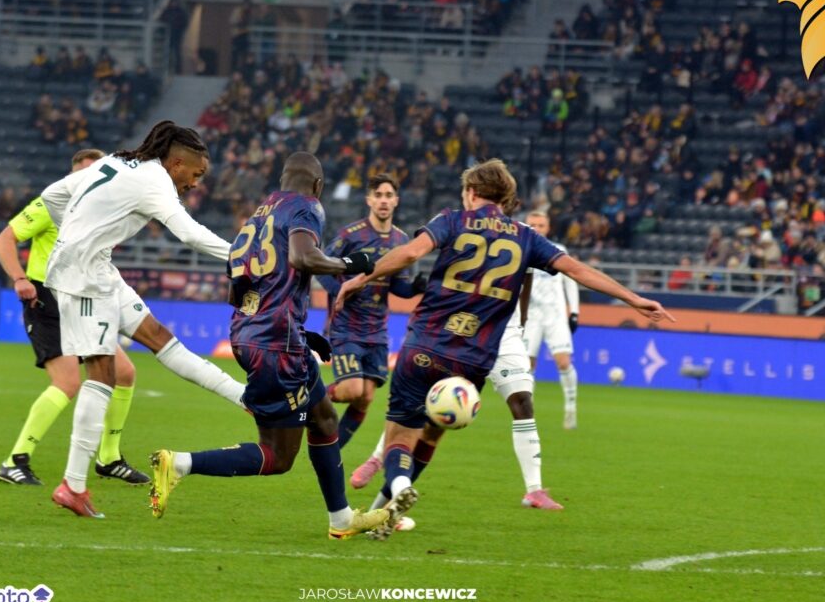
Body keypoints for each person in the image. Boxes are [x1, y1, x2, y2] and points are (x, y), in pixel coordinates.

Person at [335, 159, 674, 539]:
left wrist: (361, 278)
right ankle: (382, 516)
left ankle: (397, 488)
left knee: (400, 435)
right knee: (431, 433)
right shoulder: (526, 236)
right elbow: (577, 270)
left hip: (427, 344)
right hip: (473, 359)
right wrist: (633, 298)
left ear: (471, 192)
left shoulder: (451, 220)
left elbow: (412, 253)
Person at [148, 152, 395, 540]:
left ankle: (341, 518)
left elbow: (237, 287)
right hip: (275, 345)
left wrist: (296, 331)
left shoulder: (258, 216)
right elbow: (303, 256)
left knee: (325, 419)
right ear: (317, 185)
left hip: (259, 335)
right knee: (277, 456)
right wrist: (350, 264)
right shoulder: (306, 207)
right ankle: (178, 464)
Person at [40, 121, 246, 518]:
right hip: (82, 276)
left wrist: (79, 234)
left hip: (95, 266)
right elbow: (190, 234)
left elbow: (53, 195)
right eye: (196, 174)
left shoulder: (115, 162)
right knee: (102, 374)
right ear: (177, 162)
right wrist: (247, 257)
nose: (195, 183)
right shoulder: (155, 180)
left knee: (160, 338)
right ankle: (72, 485)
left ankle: (244, 398)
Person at [351, 207, 567, 515]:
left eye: (541, 223)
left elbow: (526, 286)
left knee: (522, 401)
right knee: (420, 408)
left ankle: (534, 489)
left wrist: (520, 324)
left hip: (504, 333)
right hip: (466, 333)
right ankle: (378, 460)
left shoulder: (523, 237)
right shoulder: (468, 226)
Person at [0, 149, 150, 486]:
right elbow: (5, 239)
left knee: (124, 373)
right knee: (67, 383)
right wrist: (19, 278)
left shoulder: (102, 211)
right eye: (84, 172)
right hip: (46, 300)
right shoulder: (50, 204)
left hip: (84, 300)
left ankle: (109, 458)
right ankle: (15, 460)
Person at [317, 175, 425, 451]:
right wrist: (341, 290)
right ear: (369, 200)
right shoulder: (351, 235)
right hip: (347, 327)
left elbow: (397, 286)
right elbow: (321, 266)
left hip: (377, 331)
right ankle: (308, 400)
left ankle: (332, 450)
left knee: (365, 397)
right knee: (352, 389)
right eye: (378, 195)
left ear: (396, 200)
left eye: (389, 195)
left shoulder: (401, 240)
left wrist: (414, 288)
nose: (383, 200)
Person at [524, 211, 580, 430]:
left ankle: (571, 407)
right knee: (527, 365)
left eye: (541, 225)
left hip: (555, 315)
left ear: (548, 228)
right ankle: (527, 411)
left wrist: (574, 312)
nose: (537, 228)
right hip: (530, 316)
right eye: (532, 224)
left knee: (563, 362)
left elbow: (571, 281)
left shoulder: (558, 250)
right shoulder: (521, 249)